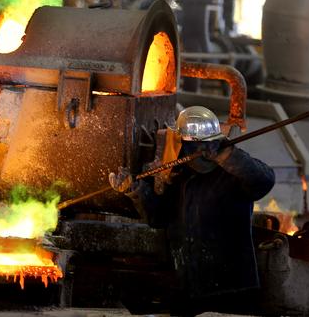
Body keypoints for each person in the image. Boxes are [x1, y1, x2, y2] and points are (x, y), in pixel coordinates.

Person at [110, 106, 275, 315]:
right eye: (191, 145)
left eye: (203, 144)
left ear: (215, 141)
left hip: (232, 291)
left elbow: (265, 180)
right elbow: (158, 217)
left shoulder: (234, 175)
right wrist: (135, 190)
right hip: (189, 291)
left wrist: (228, 156)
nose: (198, 150)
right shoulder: (180, 177)